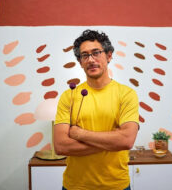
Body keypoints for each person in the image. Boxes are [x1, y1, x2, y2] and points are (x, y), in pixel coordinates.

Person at [54, 29, 139, 190]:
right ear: (80, 62)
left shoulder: (126, 94)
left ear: (108, 56)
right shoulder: (69, 96)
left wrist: (80, 134)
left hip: (116, 185)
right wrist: (112, 142)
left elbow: (126, 140)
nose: (91, 59)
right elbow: (61, 146)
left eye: (96, 53)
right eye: (84, 55)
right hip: (74, 186)